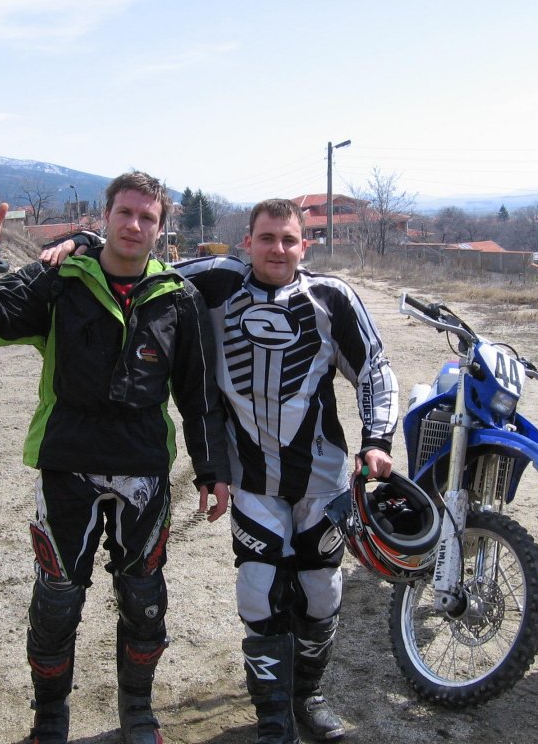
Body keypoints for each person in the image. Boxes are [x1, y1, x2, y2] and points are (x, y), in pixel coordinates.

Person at [46, 198, 399, 743]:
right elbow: (142, 266)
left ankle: (308, 695)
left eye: (288, 239)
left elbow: (373, 367)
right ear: (247, 242)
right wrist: (91, 241)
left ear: (305, 246)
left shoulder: (332, 297)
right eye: (266, 238)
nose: (277, 249)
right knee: (258, 590)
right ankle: (273, 718)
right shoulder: (214, 280)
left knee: (322, 591)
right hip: (251, 478)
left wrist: (377, 439)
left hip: (322, 479)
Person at [0, 171, 232, 744]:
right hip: (66, 463)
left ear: (160, 229)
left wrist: (211, 470)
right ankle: (50, 717)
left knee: (144, 599)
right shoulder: (60, 279)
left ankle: (138, 712)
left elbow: (199, 394)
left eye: (147, 217)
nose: (134, 225)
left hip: (143, 469)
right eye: (125, 212)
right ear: (105, 217)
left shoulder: (179, 298)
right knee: (56, 600)